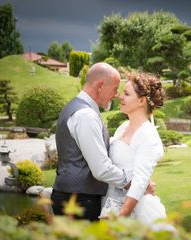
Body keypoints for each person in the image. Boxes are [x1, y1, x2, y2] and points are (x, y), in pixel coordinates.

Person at [51, 62, 134, 221]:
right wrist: (133, 183)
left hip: (71, 197)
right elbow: (101, 168)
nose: (117, 94)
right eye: (115, 88)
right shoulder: (86, 115)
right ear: (100, 86)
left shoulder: (75, 107)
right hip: (79, 202)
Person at [100, 72, 167, 225]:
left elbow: (140, 180)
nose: (120, 97)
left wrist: (123, 213)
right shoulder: (122, 127)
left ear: (141, 101)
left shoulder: (147, 134)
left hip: (133, 209)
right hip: (111, 200)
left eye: (127, 94)